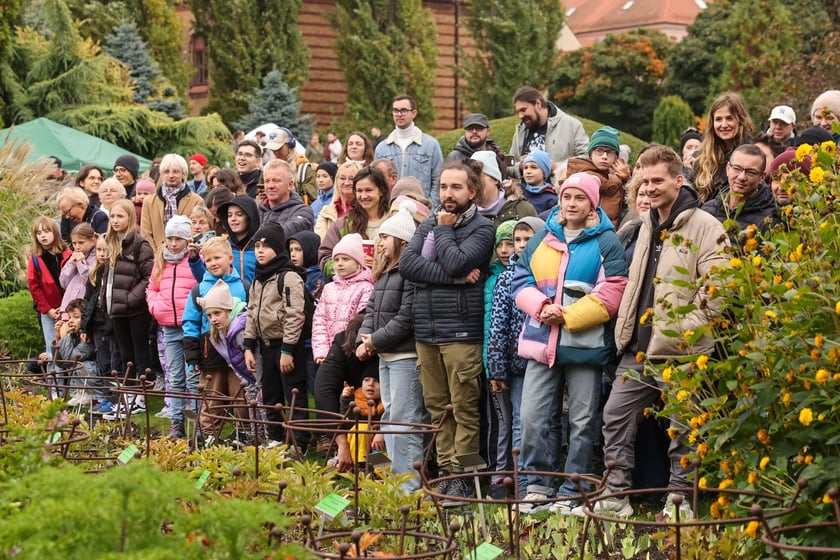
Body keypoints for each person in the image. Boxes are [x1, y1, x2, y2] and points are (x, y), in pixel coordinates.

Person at [578, 144, 728, 521]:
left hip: (681, 349)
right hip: (639, 349)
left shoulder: (706, 226)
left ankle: (679, 505)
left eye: (658, 180)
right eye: (645, 181)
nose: (651, 187)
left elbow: (720, 289)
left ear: (680, 180)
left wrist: (683, 330)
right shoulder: (648, 223)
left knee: (683, 429)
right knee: (615, 417)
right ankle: (616, 496)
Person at [511, 172, 628, 514]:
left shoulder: (607, 241)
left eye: (580, 198)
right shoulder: (542, 239)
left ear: (592, 203)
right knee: (533, 416)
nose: (572, 203)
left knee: (581, 420)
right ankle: (537, 486)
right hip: (540, 341)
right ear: (559, 201)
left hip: (584, 346)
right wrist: (542, 307)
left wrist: (569, 317)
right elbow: (520, 280)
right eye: (567, 197)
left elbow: (615, 289)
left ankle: (573, 487)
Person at [400, 160, 496, 500]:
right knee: (437, 407)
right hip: (427, 332)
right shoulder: (427, 223)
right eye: (442, 187)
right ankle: (443, 473)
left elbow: (457, 259)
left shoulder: (483, 229)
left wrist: (443, 231)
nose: (447, 194)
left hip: (461, 333)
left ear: (472, 191)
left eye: (456, 187)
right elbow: (407, 265)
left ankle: (464, 477)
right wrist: (454, 278)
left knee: (465, 408)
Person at [356, 200, 425, 491]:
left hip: (404, 355)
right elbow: (371, 309)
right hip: (386, 354)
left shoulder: (409, 274)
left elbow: (406, 317)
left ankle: (408, 488)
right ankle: (395, 485)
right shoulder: (385, 274)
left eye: (384, 237)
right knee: (391, 416)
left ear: (401, 240)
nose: (379, 242)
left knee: (404, 420)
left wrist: (375, 339)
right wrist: (365, 337)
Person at [485, 216, 544, 499]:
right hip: (516, 363)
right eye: (516, 240)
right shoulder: (507, 277)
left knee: (541, 420)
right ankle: (522, 485)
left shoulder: (545, 272)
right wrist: (497, 368)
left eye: (525, 239)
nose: (519, 246)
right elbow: (498, 324)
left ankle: (539, 481)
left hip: (542, 358)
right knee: (519, 421)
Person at [243, 223, 311, 451]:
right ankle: (275, 437)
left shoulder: (288, 276)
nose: (260, 251)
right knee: (271, 393)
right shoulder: (258, 278)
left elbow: (295, 315)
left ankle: (298, 442)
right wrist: (248, 345)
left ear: (278, 248)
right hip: (266, 345)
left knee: (293, 393)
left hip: (286, 346)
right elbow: (252, 311)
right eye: (257, 246)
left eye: (266, 246)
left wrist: (287, 350)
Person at [181, 236, 249, 445]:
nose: (213, 263)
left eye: (217, 258)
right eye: (208, 260)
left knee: (241, 395)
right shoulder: (199, 289)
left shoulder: (244, 285)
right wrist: (192, 356)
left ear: (230, 258)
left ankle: (244, 433)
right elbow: (190, 323)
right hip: (209, 350)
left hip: (238, 348)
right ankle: (210, 436)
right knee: (212, 396)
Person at [101, 199, 155, 419]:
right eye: (112, 216)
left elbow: (148, 277)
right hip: (116, 309)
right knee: (125, 355)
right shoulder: (111, 242)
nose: (115, 220)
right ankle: (128, 396)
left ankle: (140, 398)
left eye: (120, 216)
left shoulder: (140, 245)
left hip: (134, 309)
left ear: (130, 218)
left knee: (139, 352)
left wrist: (130, 299)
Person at [146, 215, 198, 439]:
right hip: (168, 325)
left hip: (192, 327)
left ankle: (198, 424)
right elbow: (152, 287)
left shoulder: (195, 260)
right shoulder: (161, 261)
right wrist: (156, 307)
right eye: (170, 238)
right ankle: (176, 424)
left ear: (188, 240)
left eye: (179, 238)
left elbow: (203, 283)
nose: (174, 243)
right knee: (175, 376)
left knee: (193, 377)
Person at [199, 279, 264, 447]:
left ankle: (265, 440)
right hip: (249, 381)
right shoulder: (219, 333)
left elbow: (256, 359)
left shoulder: (239, 330)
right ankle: (255, 438)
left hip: (258, 379)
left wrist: (258, 383)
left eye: (217, 313)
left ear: (228, 310)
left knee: (262, 408)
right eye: (209, 315)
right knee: (253, 409)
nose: (213, 319)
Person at [314, 314, 379, 471]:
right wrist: (341, 441)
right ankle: (356, 463)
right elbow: (323, 389)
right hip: (355, 418)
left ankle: (377, 468)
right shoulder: (343, 343)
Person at [312, 233, 374, 364]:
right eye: (336, 259)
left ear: (358, 263)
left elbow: (360, 321)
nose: (340, 264)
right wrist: (322, 352)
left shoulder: (366, 287)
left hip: (351, 353)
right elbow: (319, 322)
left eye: (346, 259)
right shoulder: (328, 288)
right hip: (329, 355)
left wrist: (351, 346)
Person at [318, 166, 390, 277]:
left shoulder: (393, 222)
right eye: (359, 191)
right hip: (352, 290)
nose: (363, 196)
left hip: (388, 289)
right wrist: (351, 266)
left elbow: (405, 260)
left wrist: (381, 265)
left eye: (369, 190)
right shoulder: (344, 224)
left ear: (381, 191)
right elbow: (325, 259)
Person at [374, 94, 444, 207]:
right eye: (396, 110)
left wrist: (430, 207)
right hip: (390, 210)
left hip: (421, 211)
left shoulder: (431, 145)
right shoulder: (382, 148)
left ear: (414, 113)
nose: (399, 114)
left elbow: (438, 180)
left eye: (404, 110)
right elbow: (375, 181)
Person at [508, 86, 589, 179]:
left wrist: (557, 167)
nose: (520, 116)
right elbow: (509, 165)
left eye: (523, 110)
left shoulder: (571, 125)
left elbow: (586, 158)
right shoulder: (520, 131)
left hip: (558, 190)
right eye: (518, 112)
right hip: (526, 192)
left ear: (538, 103)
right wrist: (520, 166)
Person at [81, 235, 122, 415]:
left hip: (111, 325)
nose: (102, 254)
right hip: (97, 325)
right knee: (103, 362)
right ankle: (106, 397)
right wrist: (84, 327)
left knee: (115, 362)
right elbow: (87, 301)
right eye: (99, 249)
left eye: (106, 250)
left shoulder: (115, 272)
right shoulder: (94, 273)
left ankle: (116, 398)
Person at [702, 144, 779, 236]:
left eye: (751, 172)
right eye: (737, 169)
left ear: (762, 177)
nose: (741, 177)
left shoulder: (769, 220)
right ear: (728, 169)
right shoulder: (707, 210)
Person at [693, 92, 754, 203]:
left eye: (729, 118)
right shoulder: (701, 158)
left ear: (740, 120)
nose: (724, 125)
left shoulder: (752, 154)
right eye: (718, 119)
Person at [566, 126, 631, 229]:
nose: (604, 156)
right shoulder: (582, 173)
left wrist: (627, 179)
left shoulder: (617, 177)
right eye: (599, 151)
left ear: (616, 157)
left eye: (609, 152)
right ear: (591, 154)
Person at [140, 154, 205, 249]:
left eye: (176, 171)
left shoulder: (197, 201)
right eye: (166, 172)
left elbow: (197, 232)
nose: (171, 175)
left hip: (186, 257)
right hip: (157, 256)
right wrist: (157, 256)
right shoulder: (149, 201)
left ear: (184, 174)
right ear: (162, 174)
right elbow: (146, 234)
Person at [28, 216, 71, 355]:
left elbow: (74, 284)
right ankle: (53, 377)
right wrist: (47, 309)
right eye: (39, 233)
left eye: (46, 231)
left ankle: (70, 377)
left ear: (55, 232)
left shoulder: (67, 255)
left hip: (67, 309)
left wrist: (66, 307)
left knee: (68, 347)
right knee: (52, 349)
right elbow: (34, 286)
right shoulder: (35, 258)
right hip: (48, 310)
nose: (43, 236)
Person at [44, 298, 97, 406]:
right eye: (69, 317)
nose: (70, 321)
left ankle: (94, 395)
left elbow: (71, 358)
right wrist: (58, 338)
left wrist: (64, 336)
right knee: (68, 364)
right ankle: (79, 393)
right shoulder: (74, 335)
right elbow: (60, 361)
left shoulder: (86, 337)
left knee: (78, 364)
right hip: (84, 373)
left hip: (95, 375)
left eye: (76, 317)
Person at [469, 151, 537, 226]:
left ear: (495, 179)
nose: (474, 184)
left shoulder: (523, 209)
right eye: (470, 179)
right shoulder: (464, 215)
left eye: (478, 177)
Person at [257, 159, 315, 236]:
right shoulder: (257, 210)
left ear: (290, 184)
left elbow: (280, 235)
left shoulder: (303, 212)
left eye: (276, 181)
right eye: (267, 181)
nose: (270, 186)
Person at [338, 373, 385, 468]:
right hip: (358, 447)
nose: (371, 384)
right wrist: (347, 399)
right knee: (361, 428)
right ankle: (361, 466)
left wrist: (382, 432)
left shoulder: (387, 403)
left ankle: (377, 470)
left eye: (377, 381)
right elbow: (348, 424)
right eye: (366, 380)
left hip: (380, 446)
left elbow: (391, 421)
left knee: (384, 466)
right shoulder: (355, 399)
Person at [213, 195, 260, 283]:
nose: (233, 219)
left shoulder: (261, 246)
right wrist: (195, 260)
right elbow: (208, 279)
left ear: (250, 217)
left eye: (239, 214)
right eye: (229, 215)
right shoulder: (222, 246)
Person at [265, 128, 318, 205]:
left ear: (290, 145)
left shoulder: (303, 170)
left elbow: (313, 200)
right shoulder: (268, 168)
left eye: (279, 148)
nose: (276, 152)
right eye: (273, 149)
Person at [59, 223, 97, 316]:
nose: (77, 247)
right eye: (74, 243)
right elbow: (63, 282)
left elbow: (90, 281)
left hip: (83, 308)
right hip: (68, 306)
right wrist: (71, 264)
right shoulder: (74, 255)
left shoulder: (96, 257)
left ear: (92, 241)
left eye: (81, 242)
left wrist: (81, 263)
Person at [315, 162, 360, 240]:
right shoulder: (326, 212)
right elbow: (321, 242)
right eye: (342, 178)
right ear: (336, 181)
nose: (346, 183)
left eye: (352, 179)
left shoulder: (366, 210)